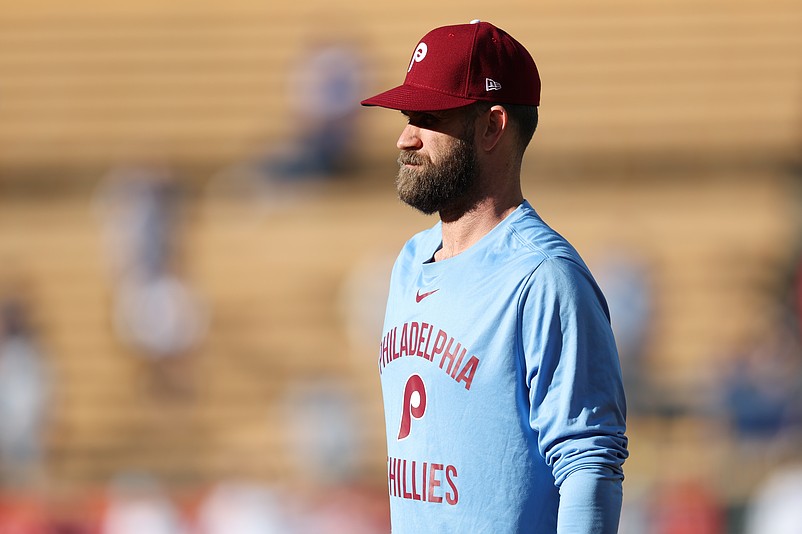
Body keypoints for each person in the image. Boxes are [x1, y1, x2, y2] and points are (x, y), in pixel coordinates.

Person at [360, 20, 629, 533]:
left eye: (428, 117)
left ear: (492, 126)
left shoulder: (544, 277)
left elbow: (588, 463)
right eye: (407, 116)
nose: (404, 138)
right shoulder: (408, 263)